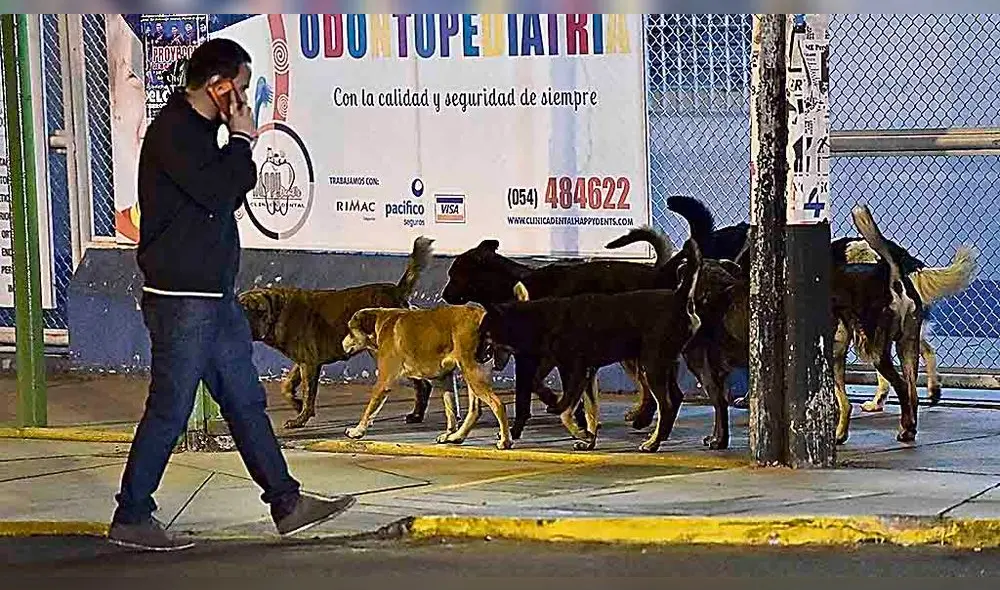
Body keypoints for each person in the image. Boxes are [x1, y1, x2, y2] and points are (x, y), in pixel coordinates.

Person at [108, 38, 355, 552]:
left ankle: (286, 502)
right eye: (239, 88)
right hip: (181, 299)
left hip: (214, 297)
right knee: (171, 408)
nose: (244, 99)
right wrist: (242, 139)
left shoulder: (200, 134)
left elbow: (231, 185)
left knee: (245, 400)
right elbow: (222, 189)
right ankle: (132, 514)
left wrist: (236, 144)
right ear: (217, 86)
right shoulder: (174, 132)